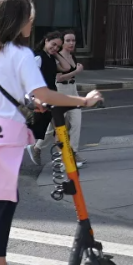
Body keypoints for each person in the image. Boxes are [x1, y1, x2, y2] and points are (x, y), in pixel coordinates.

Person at [0, 0, 101, 265]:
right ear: (18, 21)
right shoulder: (22, 54)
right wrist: (83, 101)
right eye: (29, 17)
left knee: (8, 200)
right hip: (7, 137)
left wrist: (30, 102)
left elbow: (4, 93)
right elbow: (44, 92)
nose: (32, 22)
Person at [27, 31, 63, 166]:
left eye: (58, 47)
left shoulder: (51, 57)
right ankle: (62, 160)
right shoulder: (38, 57)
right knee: (60, 127)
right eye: (53, 44)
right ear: (46, 40)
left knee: (60, 127)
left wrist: (56, 54)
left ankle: (37, 149)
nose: (55, 48)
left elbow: (66, 67)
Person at [55, 30, 84, 166]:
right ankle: (37, 147)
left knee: (76, 122)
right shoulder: (58, 57)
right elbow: (59, 78)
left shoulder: (73, 56)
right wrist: (76, 72)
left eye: (73, 40)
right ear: (62, 42)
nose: (71, 43)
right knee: (57, 127)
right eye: (68, 40)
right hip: (61, 91)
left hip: (73, 90)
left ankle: (73, 153)